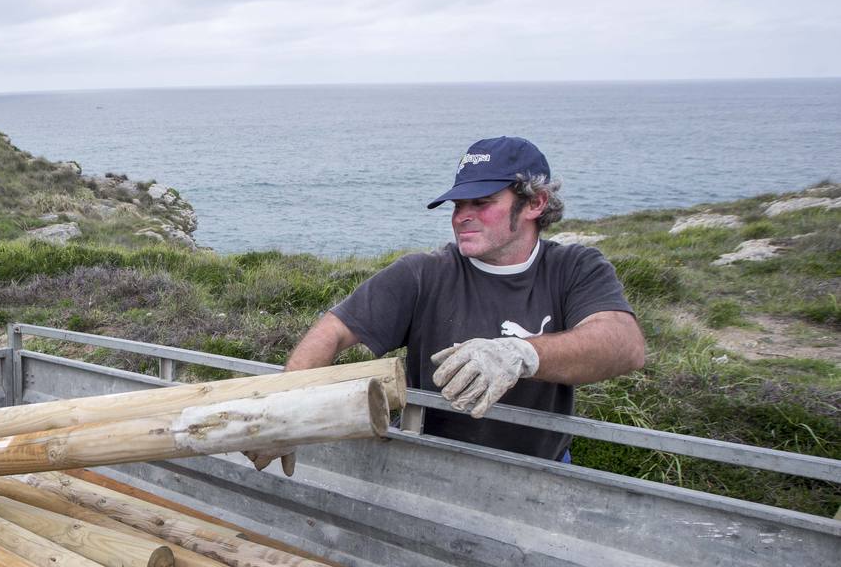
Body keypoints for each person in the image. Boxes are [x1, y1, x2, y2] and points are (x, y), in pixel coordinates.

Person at [255, 136, 644, 466]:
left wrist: (519, 354)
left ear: (535, 203)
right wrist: (286, 419)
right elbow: (332, 332)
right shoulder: (423, 273)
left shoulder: (574, 268)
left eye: (482, 202)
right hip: (430, 465)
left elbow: (623, 345)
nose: (462, 217)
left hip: (539, 470)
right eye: (459, 205)